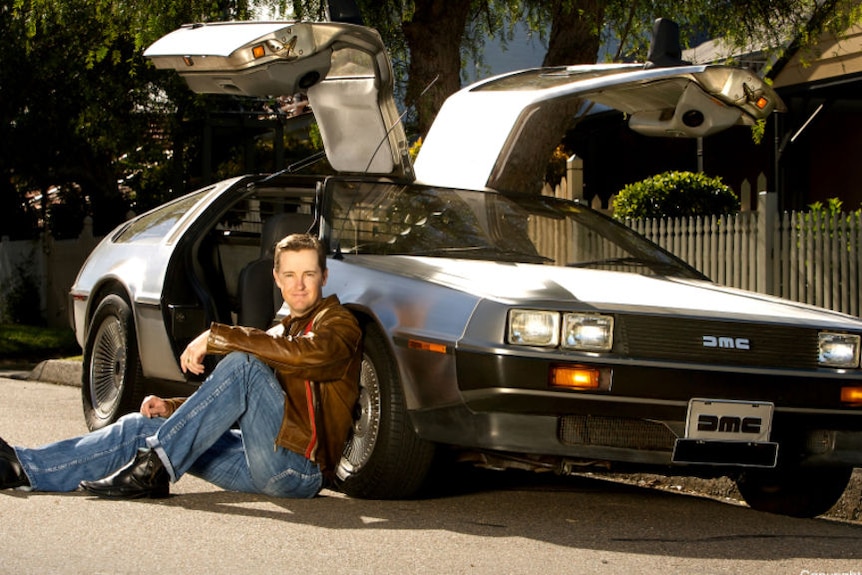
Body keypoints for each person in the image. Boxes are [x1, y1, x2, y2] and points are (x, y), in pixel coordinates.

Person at [0, 233, 362, 499]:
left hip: (298, 470)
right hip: (257, 459)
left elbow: (312, 356)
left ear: (324, 277)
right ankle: (23, 466)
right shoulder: (280, 328)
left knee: (244, 364)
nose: (299, 285)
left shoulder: (338, 323)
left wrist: (217, 336)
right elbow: (234, 403)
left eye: (309, 274)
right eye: (290, 275)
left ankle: (153, 469)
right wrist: (172, 408)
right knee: (144, 425)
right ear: (276, 279)